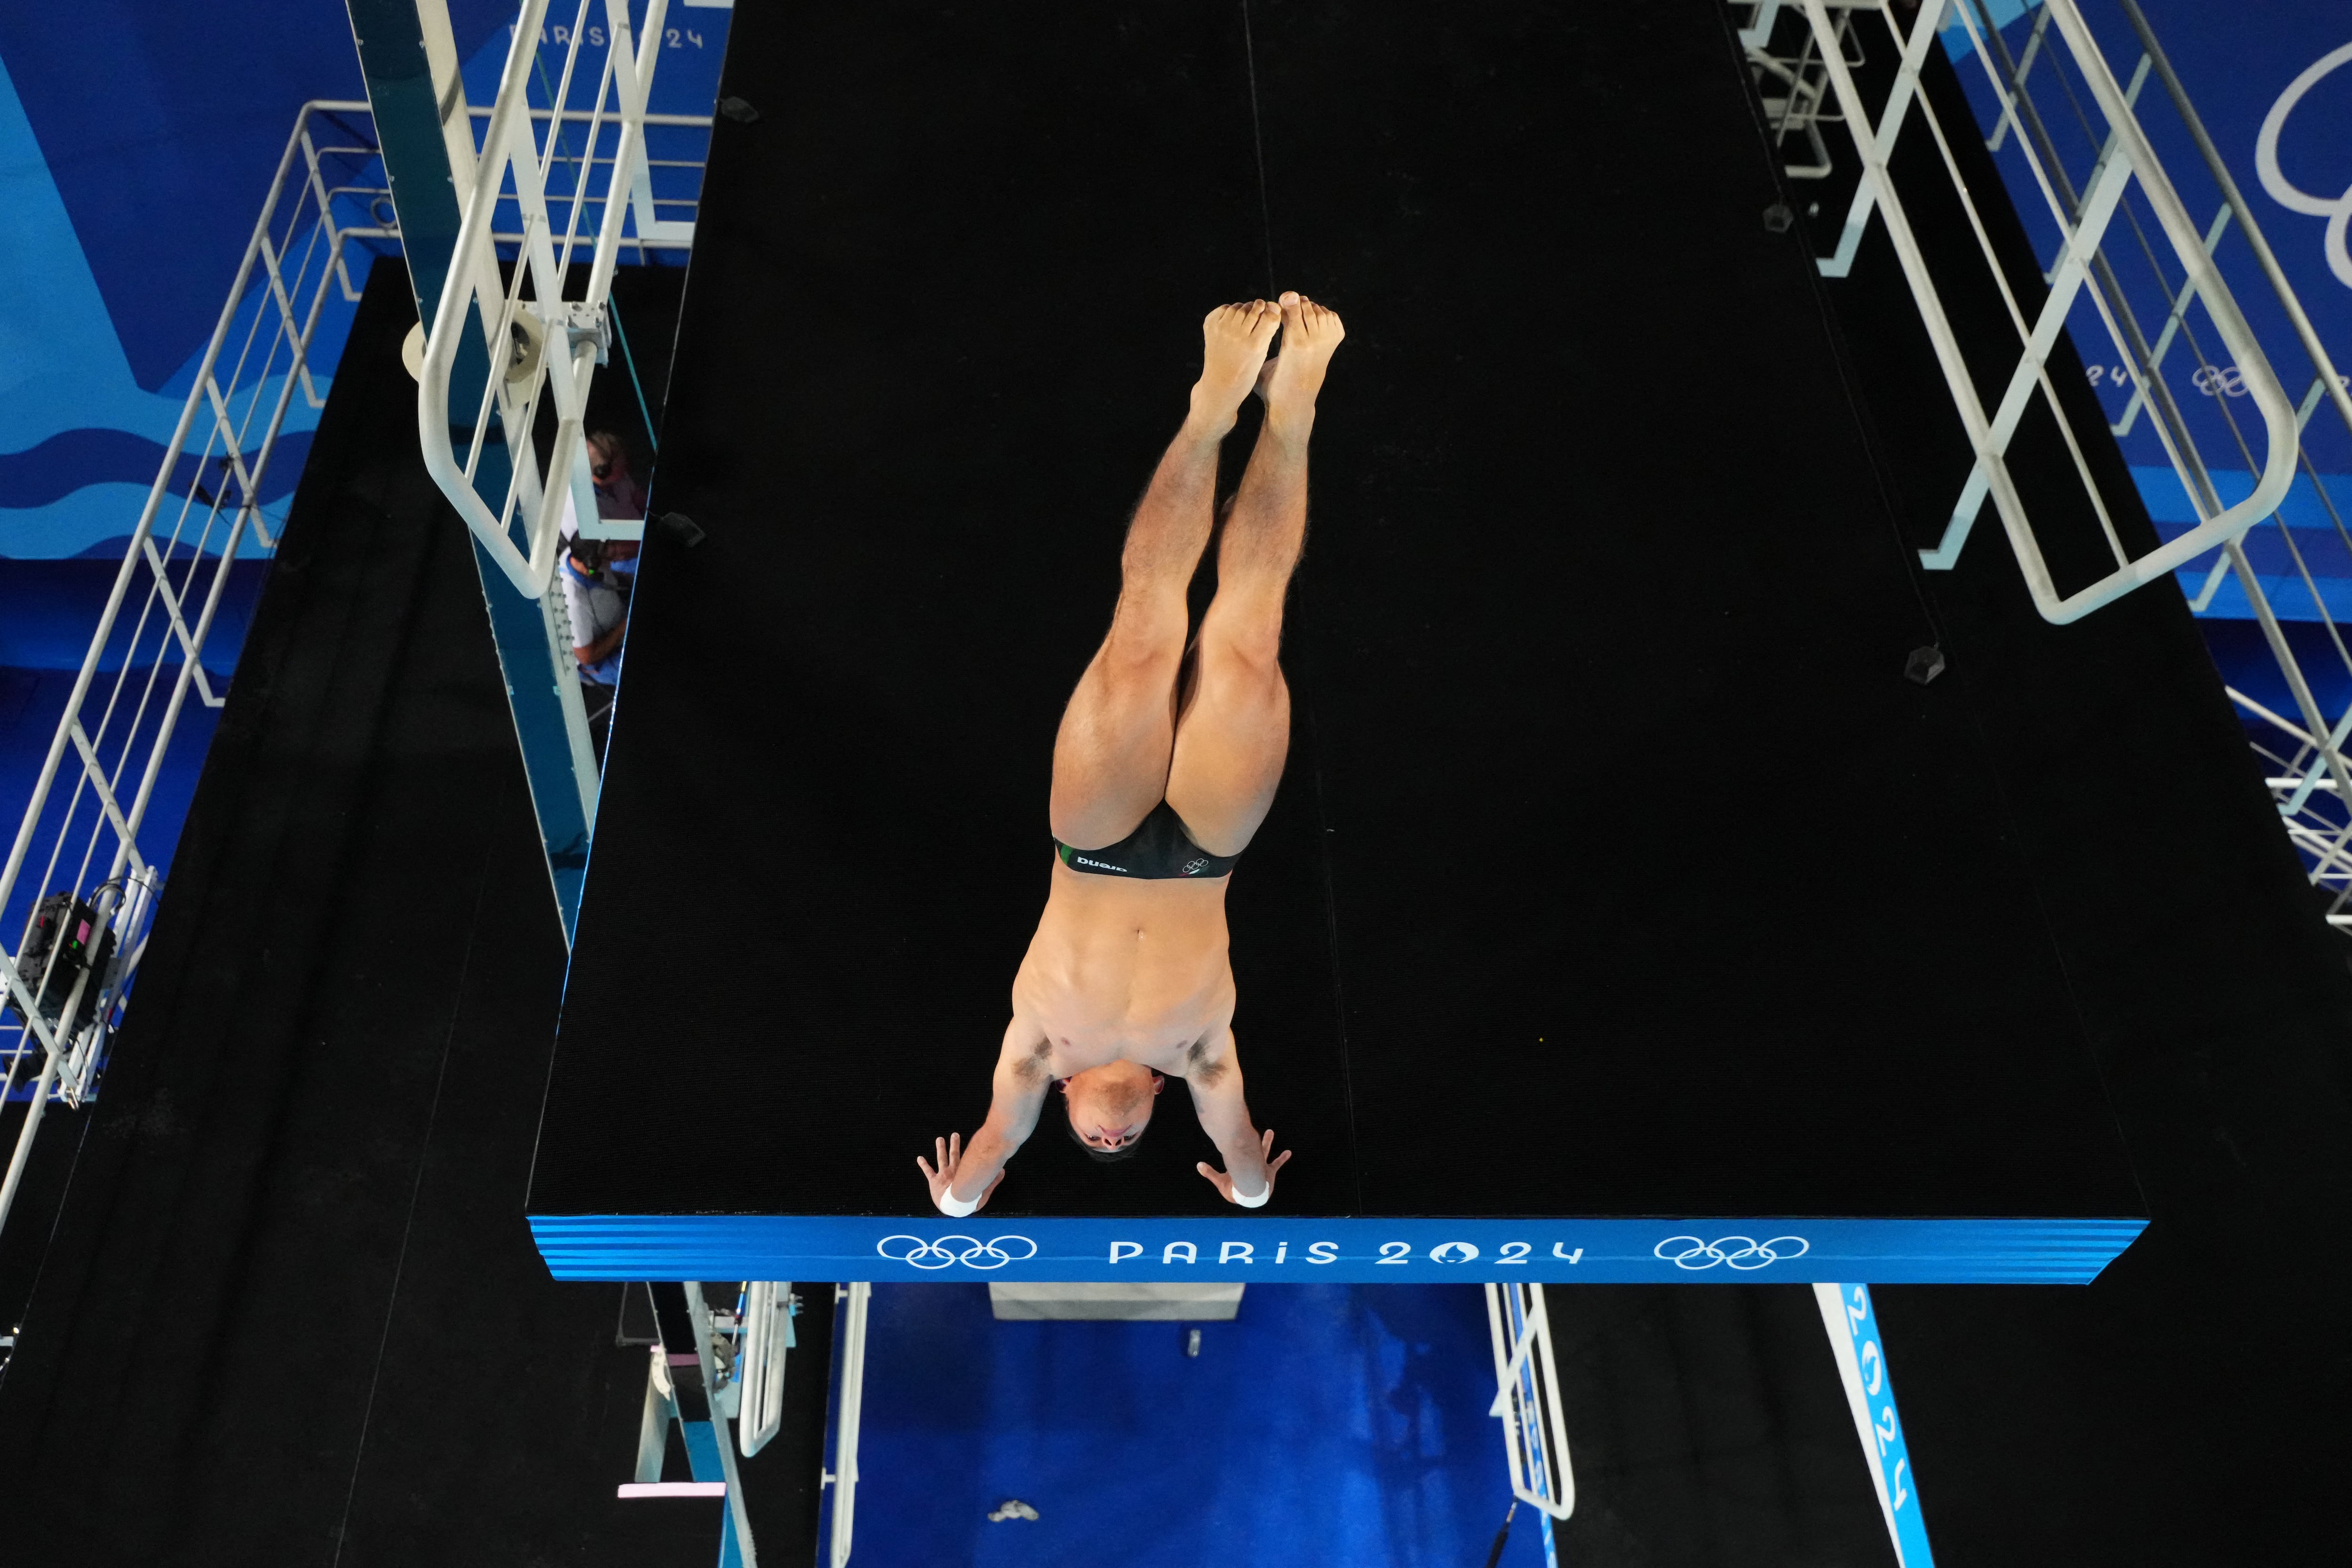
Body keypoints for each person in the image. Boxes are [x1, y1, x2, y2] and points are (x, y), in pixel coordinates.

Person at [918, 290, 1345, 1216]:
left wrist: (958, 1197)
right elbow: (1245, 1167)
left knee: (1147, 632)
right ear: (1158, 1097)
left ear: (1065, 1101)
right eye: (1132, 1139)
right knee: (1248, 637)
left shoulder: (1036, 1052)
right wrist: (1247, 1185)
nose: (1113, 1137)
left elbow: (987, 1156)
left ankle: (1209, 411)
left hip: (1095, 841)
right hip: (1205, 852)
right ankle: (1295, 411)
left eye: (1092, 1139)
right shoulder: (1198, 1055)